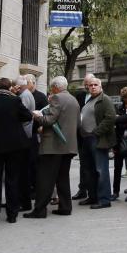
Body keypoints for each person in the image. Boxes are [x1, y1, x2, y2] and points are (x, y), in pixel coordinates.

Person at [0, 77, 33, 225]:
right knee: (12, 179)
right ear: (9, 88)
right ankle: (12, 214)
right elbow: (28, 116)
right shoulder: (15, 101)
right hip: (15, 146)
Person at [26, 76, 79, 218]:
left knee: (45, 178)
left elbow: (49, 120)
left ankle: (40, 210)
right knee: (62, 178)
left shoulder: (57, 98)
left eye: (52, 88)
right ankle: (65, 207)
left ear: (55, 87)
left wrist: (37, 116)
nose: (51, 90)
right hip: (68, 146)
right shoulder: (73, 100)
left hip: (53, 146)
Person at [86, 76, 116, 209]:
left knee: (101, 170)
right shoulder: (90, 99)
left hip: (98, 139)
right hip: (87, 139)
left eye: (95, 85)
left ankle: (104, 199)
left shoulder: (105, 99)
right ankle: (93, 197)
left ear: (100, 86)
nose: (92, 87)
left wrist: (96, 132)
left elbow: (110, 118)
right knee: (90, 170)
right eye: (90, 85)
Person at [73, 73, 99, 203]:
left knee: (94, 165)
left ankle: (95, 193)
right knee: (84, 165)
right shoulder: (80, 96)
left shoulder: (99, 97)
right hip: (82, 135)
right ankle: (82, 189)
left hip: (93, 136)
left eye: (90, 84)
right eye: (86, 84)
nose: (88, 86)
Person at [15, 76, 38, 212]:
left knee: (23, 171)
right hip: (28, 133)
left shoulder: (23, 96)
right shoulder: (28, 94)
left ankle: (23, 201)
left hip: (24, 135)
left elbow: (22, 115)